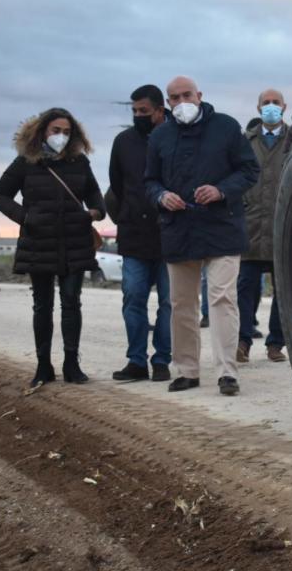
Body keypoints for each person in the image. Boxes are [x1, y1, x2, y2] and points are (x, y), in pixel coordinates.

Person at [144, 76, 259, 396]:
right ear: (167, 103)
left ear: (200, 95)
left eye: (187, 95)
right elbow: (149, 181)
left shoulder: (225, 127)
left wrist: (222, 190)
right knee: (181, 303)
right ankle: (188, 370)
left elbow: (250, 170)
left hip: (223, 226)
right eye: (174, 98)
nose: (182, 103)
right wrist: (161, 196)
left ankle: (227, 372)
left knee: (222, 298)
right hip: (178, 230)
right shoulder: (160, 136)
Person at [0, 107, 105, 387]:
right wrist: (25, 217)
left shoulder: (80, 162)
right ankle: (43, 365)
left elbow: (93, 192)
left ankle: (72, 364)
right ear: (43, 131)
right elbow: (0, 194)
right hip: (39, 241)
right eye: (56, 131)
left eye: (66, 132)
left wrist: (95, 211)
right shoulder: (26, 162)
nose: (61, 136)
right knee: (42, 306)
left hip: (75, 240)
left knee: (71, 303)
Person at [107, 84, 172, 383]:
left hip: (171, 235)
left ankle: (162, 360)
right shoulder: (123, 142)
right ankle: (136, 361)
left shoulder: (177, 137)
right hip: (134, 235)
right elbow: (116, 187)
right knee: (133, 297)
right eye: (134, 111)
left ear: (160, 111)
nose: (138, 116)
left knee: (169, 303)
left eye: (143, 111)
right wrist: (126, 215)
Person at [237, 88, 290, 364]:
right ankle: (243, 340)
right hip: (250, 226)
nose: (271, 107)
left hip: (284, 227)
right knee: (245, 286)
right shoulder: (245, 141)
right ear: (258, 108)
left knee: (284, 289)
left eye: (275, 103)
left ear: (284, 107)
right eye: (266, 103)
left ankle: (275, 344)